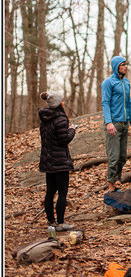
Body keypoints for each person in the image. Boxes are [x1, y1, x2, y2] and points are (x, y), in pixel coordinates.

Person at [39, 91, 76, 232]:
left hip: (48, 162)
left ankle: (51, 223)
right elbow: (64, 139)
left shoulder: (45, 119)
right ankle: (60, 224)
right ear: (59, 104)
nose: (64, 103)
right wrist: (72, 129)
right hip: (60, 163)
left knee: (50, 192)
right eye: (62, 101)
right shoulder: (61, 119)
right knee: (62, 192)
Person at [101, 56, 131, 192]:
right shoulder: (108, 83)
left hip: (124, 124)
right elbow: (105, 103)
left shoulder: (126, 83)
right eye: (122, 65)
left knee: (122, 157)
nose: (125, 66)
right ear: (116, 67)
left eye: (126, 64)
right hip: (114, 124)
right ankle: (111, 187)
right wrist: (108, 122)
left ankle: (115, 183)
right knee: (114, 157)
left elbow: (128, 103)